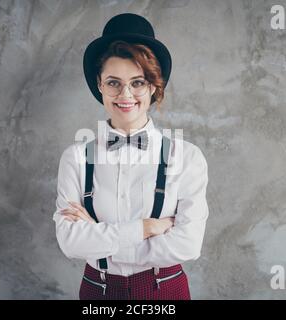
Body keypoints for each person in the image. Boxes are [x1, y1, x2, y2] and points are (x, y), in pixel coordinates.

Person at [53, 13, 209, 300]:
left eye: (137, 82)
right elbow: (70, 244)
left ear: (152, 86)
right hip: (97, 293)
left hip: (165, 292)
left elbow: (188, 246)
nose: (125, 94)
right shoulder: (75, 157)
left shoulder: (186, 157)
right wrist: (148, 228)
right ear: (99, 85)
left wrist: (100, 238)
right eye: (113, 82)